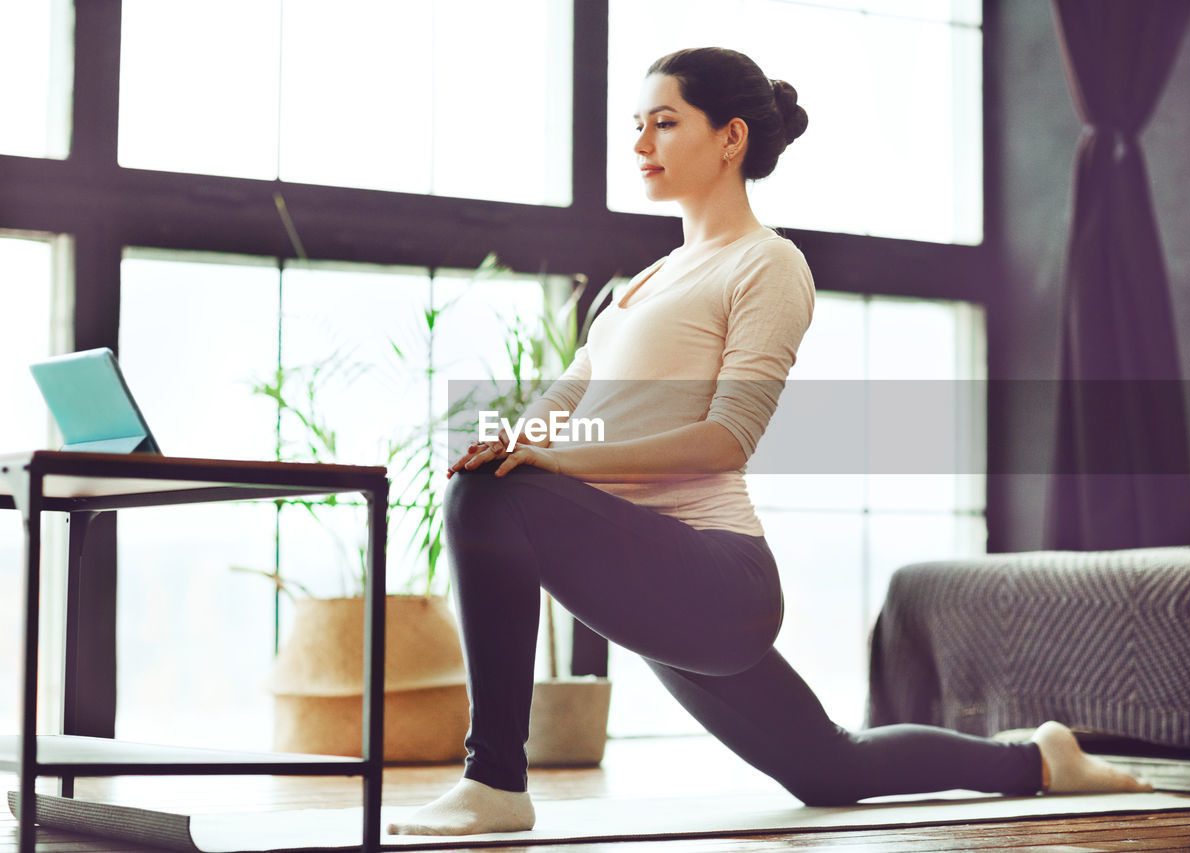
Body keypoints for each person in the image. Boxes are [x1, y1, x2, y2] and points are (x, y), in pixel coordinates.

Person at [389, 47, 1150, 837]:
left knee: (488, 496)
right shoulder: (636, 286)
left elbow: (725, 440)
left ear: (730, 139)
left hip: (719, 582)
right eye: (638, 124)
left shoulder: (769, 264)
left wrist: (551, 461)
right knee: (831, 767)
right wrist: (518, 437)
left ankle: (495, 783)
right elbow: (569, 395)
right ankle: (1040, 759)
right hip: (650, 565)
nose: (641, 141)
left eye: (665, 122)